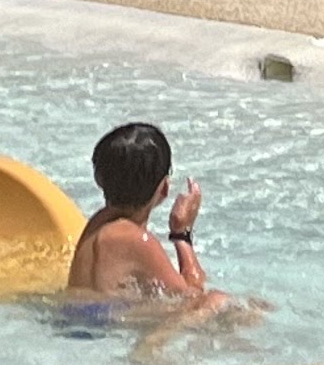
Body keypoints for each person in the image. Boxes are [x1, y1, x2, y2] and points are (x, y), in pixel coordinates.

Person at [64, 120, 251, 317]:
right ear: (164, 188)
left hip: (76, 318)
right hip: (100, 327)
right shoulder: (136, 240)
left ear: (99, 179)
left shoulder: (98, 222)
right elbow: (191, 296)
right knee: (222, 302)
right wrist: (182, 233)